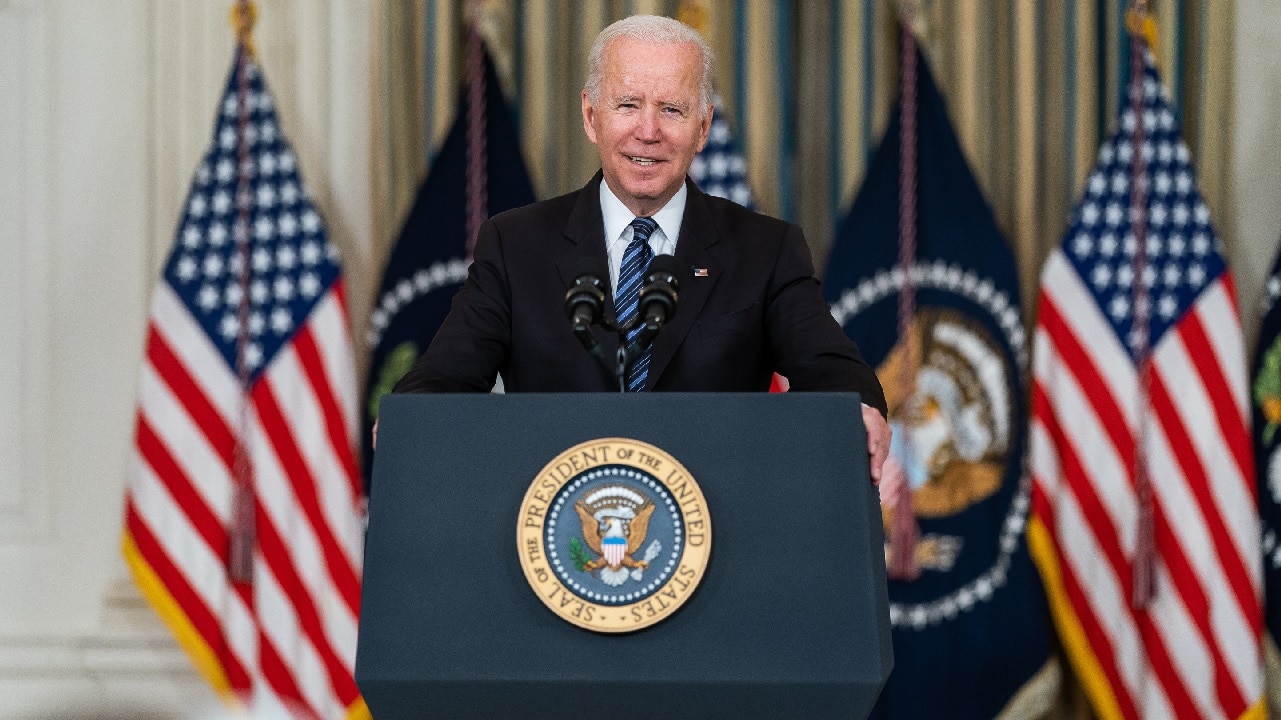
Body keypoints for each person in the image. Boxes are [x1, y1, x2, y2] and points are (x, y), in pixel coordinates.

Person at [390, 14, 891, 482]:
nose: (647, 132)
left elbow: (833, 371)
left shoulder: (765, 249)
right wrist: (410, 421)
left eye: (671, 109)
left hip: (715, 530)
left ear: (702, 128)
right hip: (552, 533)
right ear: (591, 116)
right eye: (628, 105)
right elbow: (442, 381)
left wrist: (861, 411)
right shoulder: (514, 244)